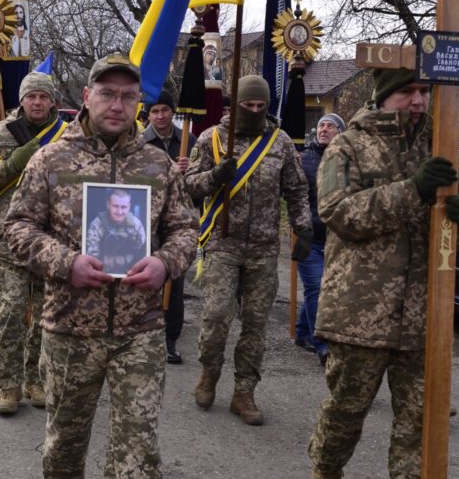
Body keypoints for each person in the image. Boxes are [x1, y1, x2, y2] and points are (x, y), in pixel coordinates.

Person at [4, 53, 198, 479]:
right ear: (86, 97)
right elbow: (17, 226)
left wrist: (166, 263)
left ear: (139, 103)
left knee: (138, 439)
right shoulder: (52, 157)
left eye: (128, 96)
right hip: (69, 326)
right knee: (66, 429)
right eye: (107, 94)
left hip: (139, 327)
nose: (118, 105)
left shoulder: (158, 165)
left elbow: (186, 231)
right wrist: (64, 262)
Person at [309, 68, 459, 479]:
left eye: (425, 92)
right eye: (408, 92)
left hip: (425, 311)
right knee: (348, 407)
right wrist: (413, 191)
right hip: (361, 309)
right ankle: (326, 469)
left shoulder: (441, 144)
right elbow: (339, 213)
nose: (419, 101)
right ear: (385, 98)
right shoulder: (348, 147)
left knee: (420, 424)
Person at [185, 74, 312, 425]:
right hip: (223, 244)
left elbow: (297, 190)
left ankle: (244, 392)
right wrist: (214, 178)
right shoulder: (213, 139)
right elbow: (189, 185)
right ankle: (209, 373)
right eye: (248, 105)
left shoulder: (281, 142)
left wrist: (303, 228)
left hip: (264, 248)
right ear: (235, 104)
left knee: (255, 326)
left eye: (260, 106)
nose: (255, 111)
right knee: (216, 317)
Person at [0, 72, 66, 415]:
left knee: (44, 316)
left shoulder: (68, 136)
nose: (37, 102)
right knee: (11, 314)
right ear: (22, 100)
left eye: (43, 96)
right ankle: (8, 386)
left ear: (52, 100)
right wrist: (12, 164)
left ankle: (35, 380)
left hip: (52, 240)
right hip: (10, 238)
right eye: (31, 97)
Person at [143, 90, 197, 363]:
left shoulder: (189, 141)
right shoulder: (139, 142)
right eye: (155, 111)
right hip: (147, 220)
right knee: (144, 280)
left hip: (177, 221)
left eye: (165, 110)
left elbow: (199, 189)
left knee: (174, 283)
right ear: (148, 114)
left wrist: (190, 172)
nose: (161, 116)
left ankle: (170, 339)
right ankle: (143, 334)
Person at [294, 113, 345, 364]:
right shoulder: (303, 159)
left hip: (337, 238)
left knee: (323, 288)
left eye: (330, 126)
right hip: (309, 236)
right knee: (317, 287)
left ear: (340, 132)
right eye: (321, 125)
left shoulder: (346, 158)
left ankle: (303, 331)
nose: (324, 129)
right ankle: (323, 344)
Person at [85, 188, 147, 275]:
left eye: (124, 207)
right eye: (115, 206)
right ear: (108, 205)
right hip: (102, 273)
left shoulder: (136, 225)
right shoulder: (97, 224)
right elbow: (91, 256)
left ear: (129, 206)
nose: (119, 212)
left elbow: (142, 254)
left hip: (130, 274)